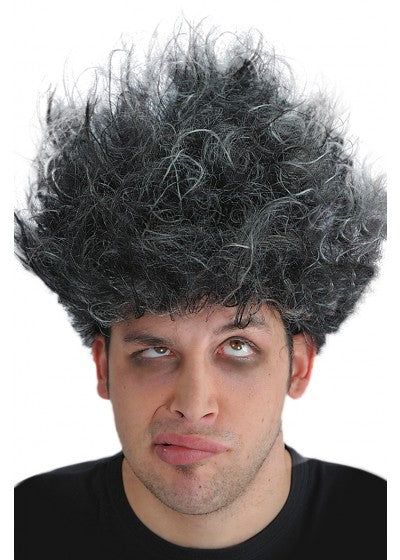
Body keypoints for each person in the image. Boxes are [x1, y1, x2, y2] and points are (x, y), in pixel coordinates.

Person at [14, 22, 386, 559]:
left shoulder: (378, 526)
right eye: (154, 351)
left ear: (299, 367)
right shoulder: (26, 527)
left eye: (237, 347)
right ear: (103, 367)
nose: (193, 405)